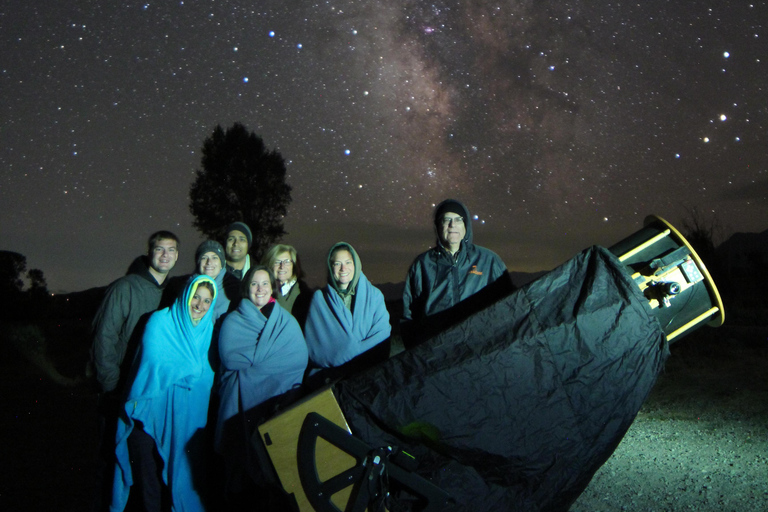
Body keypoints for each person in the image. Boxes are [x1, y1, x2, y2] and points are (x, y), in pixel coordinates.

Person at [111, 275, 218, 512]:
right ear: (186, 296)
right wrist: (188, 369)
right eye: (196, 297)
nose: (200, 305)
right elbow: (151, 364)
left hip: (185, 425)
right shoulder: (160, 322)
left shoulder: (208, 332)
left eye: (207, 301)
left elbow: (205, 381)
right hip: (148, 419)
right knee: (151, 487)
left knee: (183, 484)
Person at [215, 265, 308, 500]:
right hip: (239, 407)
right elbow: (230, 357)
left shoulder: (285, 321)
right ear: (247, 288)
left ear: (272, 288)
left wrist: (254, 366)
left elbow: (297, 357)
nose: (260, 289)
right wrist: (267, 362)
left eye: (265, 283)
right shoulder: (233, 321)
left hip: (276, 403)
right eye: (255, 283)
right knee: (239, 478)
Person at [402, 199, 511, 344]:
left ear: (466, 225)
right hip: (437, 350)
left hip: (480, 347)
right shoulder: (422, 264)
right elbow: (408, 314)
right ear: (438, 226)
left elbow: (509, 303)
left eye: (458, 220)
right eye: (446, 220)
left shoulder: (488, 260)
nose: (452, 225)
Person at [90, 231, 180, 395]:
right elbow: (104, 337)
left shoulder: (174, 293)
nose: (165, 255)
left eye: (171, 250)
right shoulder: (125, 287)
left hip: (155, 387)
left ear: (176, 256)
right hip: (122, 384)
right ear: (149, 252)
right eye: (159, 249)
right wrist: (110, 385)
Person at [304, 242, 391, 369]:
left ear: (356, 265)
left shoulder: (375, 296)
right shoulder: (320, 300)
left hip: (370, 370)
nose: (343, 268)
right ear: (330, 267)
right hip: (332, 378)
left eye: (348, 262)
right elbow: (317, 350)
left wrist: (346, 353)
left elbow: (382, 336)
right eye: (337, 264)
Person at [261, 244, 313, 328]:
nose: (282, 266)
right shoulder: (260, 292)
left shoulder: (307, 296)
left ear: (294, 266)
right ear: (269, 265)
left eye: (287, 262)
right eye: (277, 262)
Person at [195, 239, 241, 320]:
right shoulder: (188, 286)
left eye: (214, 258)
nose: (209, 262)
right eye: (204, 257)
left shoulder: (234, 287)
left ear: (221, 264)